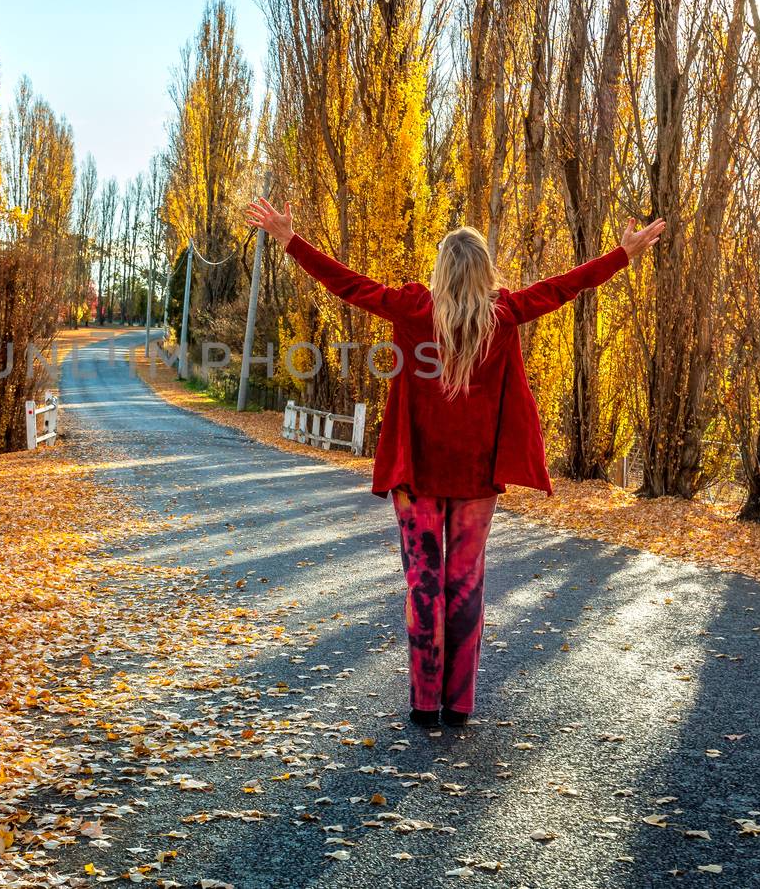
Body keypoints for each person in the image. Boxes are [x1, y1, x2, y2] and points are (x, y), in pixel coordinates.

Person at [244, 198, 665, 728]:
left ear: (441, 270)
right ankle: (459, 704)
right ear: (486, 272)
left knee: (424, 582)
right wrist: (620, 255)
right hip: (475, 475)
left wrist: (289, 240)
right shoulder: (505, 313)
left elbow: (345, 283)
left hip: (418, 473)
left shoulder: (413, 309)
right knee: (465, 583)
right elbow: (564, 286)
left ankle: (424, 702)